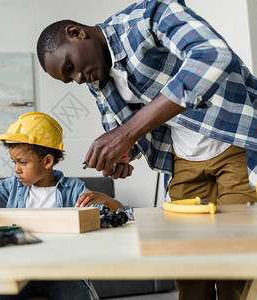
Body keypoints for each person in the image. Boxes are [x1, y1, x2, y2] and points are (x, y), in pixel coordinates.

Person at [36, 0, 257, 299]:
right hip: (183, 160)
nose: (78, 78)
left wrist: (127, 133)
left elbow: (212, 56)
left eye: (71, 67)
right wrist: (125, 156)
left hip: (234, 142)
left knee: (236, 258)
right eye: (69, 78)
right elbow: (131, 131)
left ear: (76, 33)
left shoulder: (150, 16)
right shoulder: (98, 78)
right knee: (190, 266)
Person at [0, 111, 123, 300]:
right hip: (18, 267)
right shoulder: (14, 186)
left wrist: (105, 200)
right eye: (13, 162)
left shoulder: (74, 190)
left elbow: (122, 215)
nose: (16, 169)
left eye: (22, 162)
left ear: (47, 161)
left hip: (62, 269)